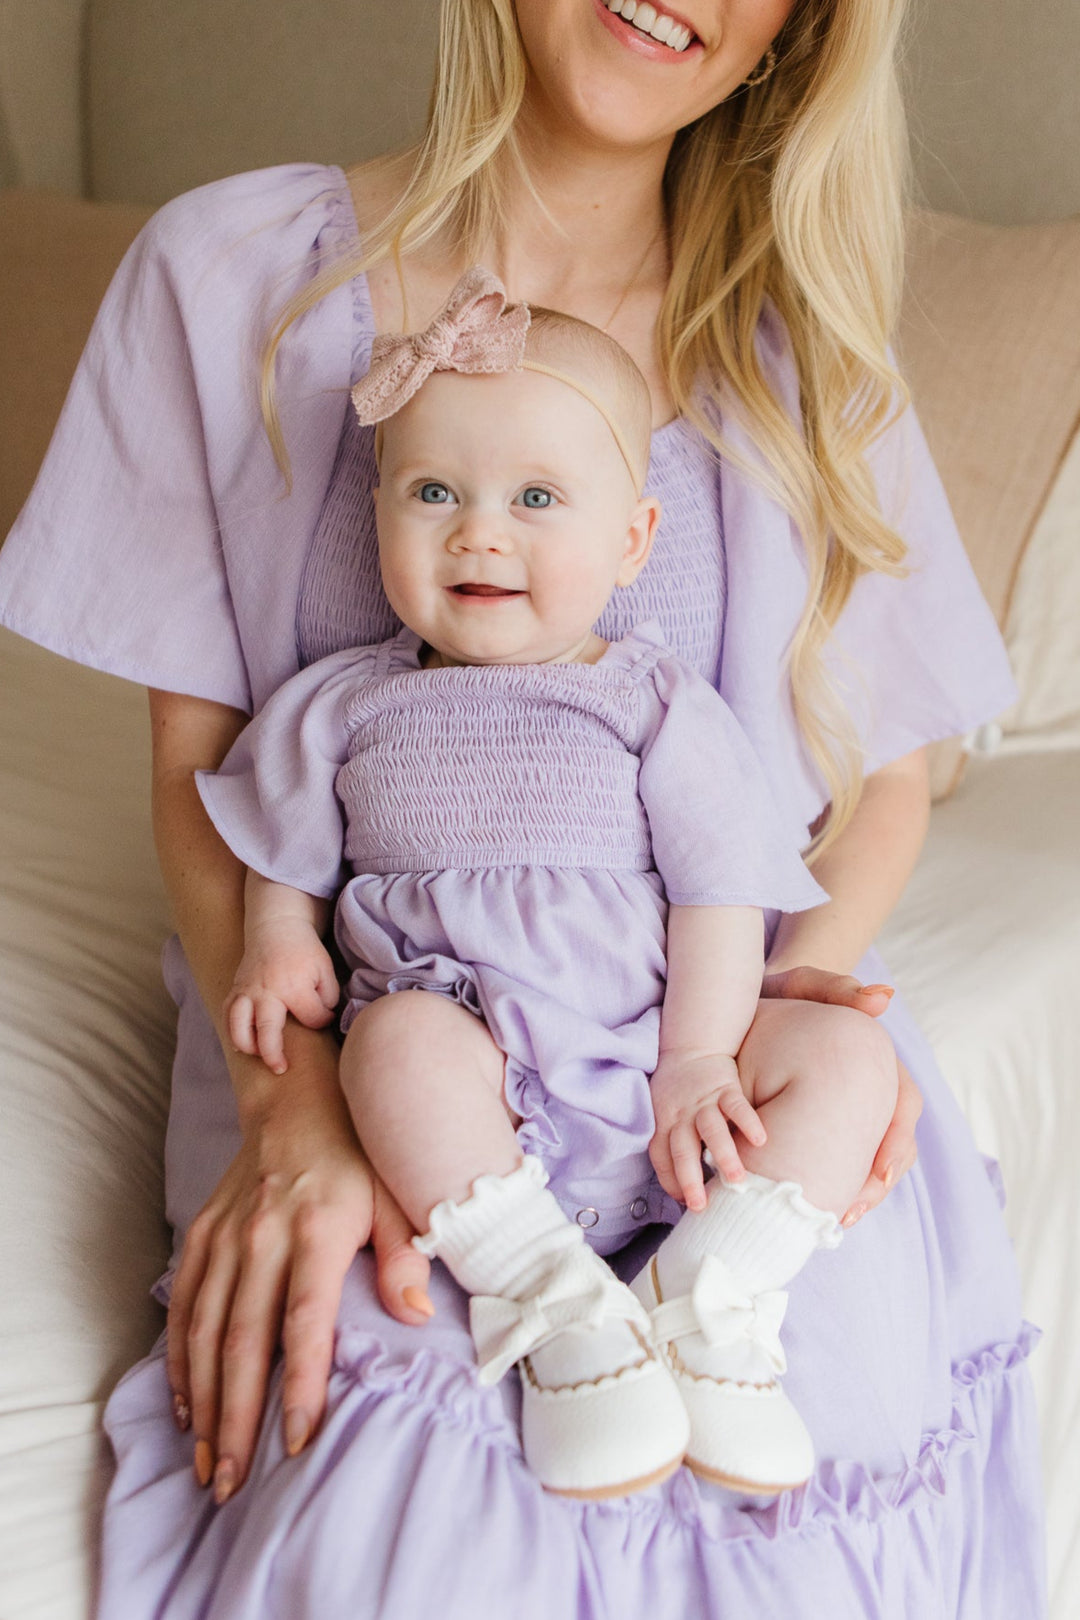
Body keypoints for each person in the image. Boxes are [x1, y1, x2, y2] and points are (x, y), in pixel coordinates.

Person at [0, 0, 1044, 1613]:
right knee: (404, 1499)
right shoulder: (234, 278)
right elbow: (204, 775)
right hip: (385, 1041)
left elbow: (886, 780)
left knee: (783, 1455)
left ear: (791, 36)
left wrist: (752, 1034)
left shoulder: (797, 346)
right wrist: (299, 1111)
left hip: (698, 1043)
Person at [207, 269, 897, 1501]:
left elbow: (719, 892)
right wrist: (273, 940)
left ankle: (714, 1298)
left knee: (849, 1061)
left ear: (631, 539)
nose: (481, 531)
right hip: (473, 1095)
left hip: (658, 1075)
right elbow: (283, 851)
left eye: (536, 498)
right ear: (379, 523)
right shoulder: (345, 704)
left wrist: (697, 1060)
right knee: (397, 1045)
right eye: (434, 494)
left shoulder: (650, 703)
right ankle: (555, 1303)